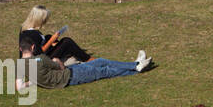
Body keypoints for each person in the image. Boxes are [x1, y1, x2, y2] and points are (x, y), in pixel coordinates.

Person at [17, 31, 153, 91]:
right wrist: (57, 60)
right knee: (104, 70)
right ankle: (136, 67)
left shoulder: (20, 66)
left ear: (20, 49)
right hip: (70, 76)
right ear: (33, 46)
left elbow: (20, 87)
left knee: (100, 63)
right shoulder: (40, 59)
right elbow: (61, 68)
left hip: (68, 75)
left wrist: (36, 81)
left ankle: (136, 65)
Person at [20, 5, 91, 65]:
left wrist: (51, 40)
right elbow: (40, 52)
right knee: (67, 41)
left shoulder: (24, 30)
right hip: (38, 62)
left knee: (48, 37)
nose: (45, 21)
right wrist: (51, 40)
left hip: (33, 60)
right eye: (44, 19)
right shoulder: (32, 34)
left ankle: (67, 52)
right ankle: (88, 59)